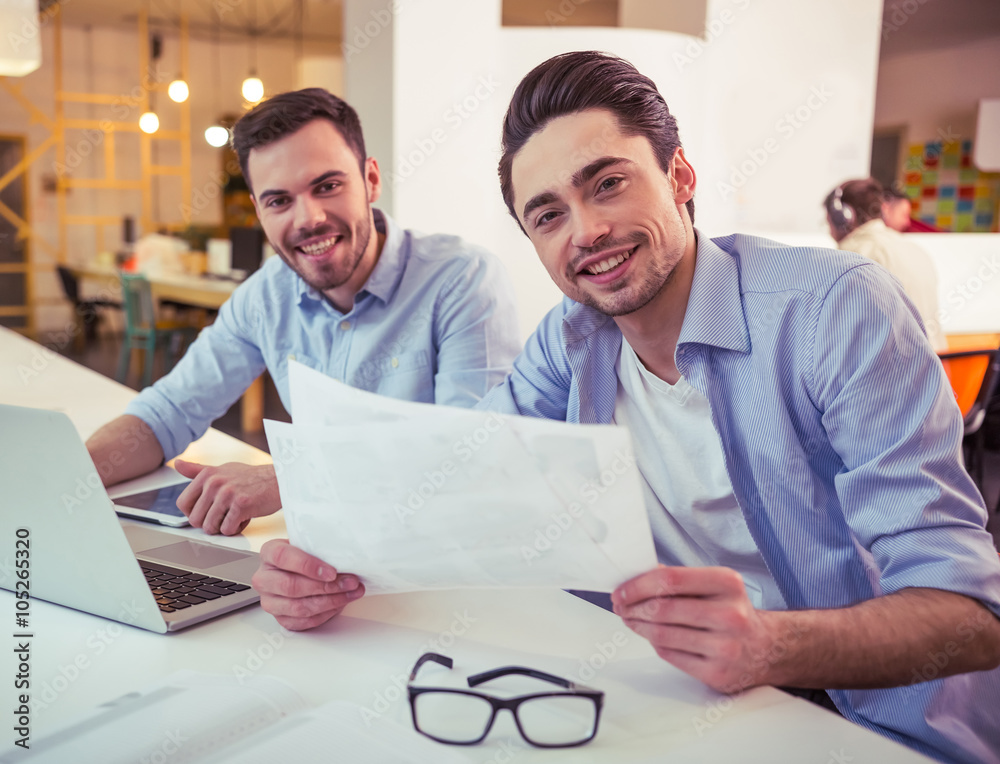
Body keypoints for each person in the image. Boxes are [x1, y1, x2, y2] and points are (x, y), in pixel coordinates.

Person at [253, 54, 1000, 763]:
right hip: (673, 694)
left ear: (679, 175)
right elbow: (461, 468)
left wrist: (771, 645)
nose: (586, 231)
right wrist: (324, 557)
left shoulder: (834, 310)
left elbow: (970, 614)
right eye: (547, 216)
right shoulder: (570, 339)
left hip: (860, 719)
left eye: (607, 184)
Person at [86, 88, 521, 536]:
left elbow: (468, 456)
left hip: (439, 554)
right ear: (258, 210)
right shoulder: (264, 299)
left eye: (327, 186)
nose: (308, 218)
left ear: (370, 179)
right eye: (279, 201)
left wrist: (290, 476)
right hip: (327, 545)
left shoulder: (462, 279)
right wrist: (72, 477)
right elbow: (168, 412)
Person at [824, 178, 947, 350]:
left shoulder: (852, 253)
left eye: (828, 222)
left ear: (843, 217)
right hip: (935, 368)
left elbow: (839, 327)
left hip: (892, 371)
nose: (830, 232)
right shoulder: (915, 249)